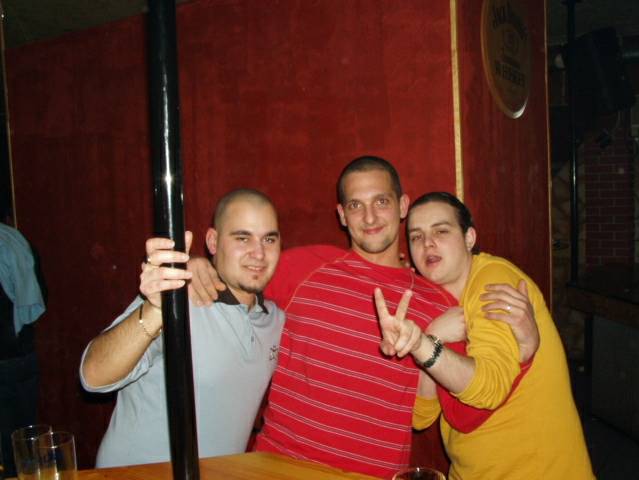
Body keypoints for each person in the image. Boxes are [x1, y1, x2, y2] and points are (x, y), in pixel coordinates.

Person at [187, 157, 538, 478]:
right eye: (356, 205)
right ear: (342, 215)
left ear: (402, 206)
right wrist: (198, 266)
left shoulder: (437, 303)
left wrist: (520, 353)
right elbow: (240, 275)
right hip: (279, 469)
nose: (369, 218)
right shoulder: (305, 267)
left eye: (381, 202)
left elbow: (459, 417)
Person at [376, 192, 593, 479]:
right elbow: (421, 416)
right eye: (416, 236)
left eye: (441, 231)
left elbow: (487, 389)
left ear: (469, 238)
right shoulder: (432, 304)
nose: (427, 243)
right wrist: (433, 335)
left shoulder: (494, 283)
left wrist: (423, 343)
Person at [80, 189, 285, 467]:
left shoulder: (275, 321)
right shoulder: (177, 297)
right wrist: (155, 311)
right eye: (242, 237)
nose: (259, 253)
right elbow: (93, 377)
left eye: (269, 239)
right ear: (212, 242)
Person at [0, 216, 46, 478]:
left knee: (10, 448)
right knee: (26, 439)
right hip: (25, 354)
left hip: (6, 357)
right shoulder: (17, 240)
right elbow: (41, 296)